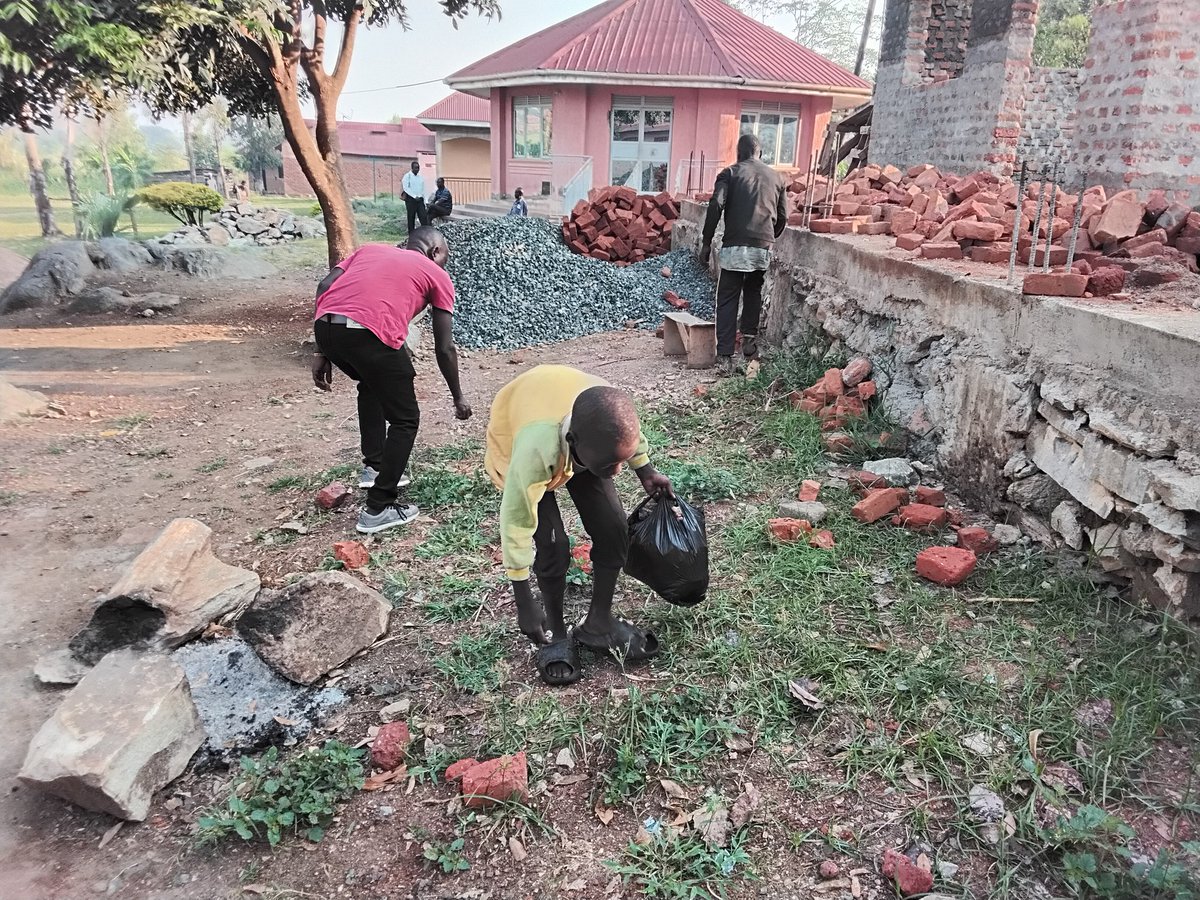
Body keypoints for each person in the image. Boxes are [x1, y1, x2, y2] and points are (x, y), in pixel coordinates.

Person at [485, 365, 674, 686]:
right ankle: (557, 634)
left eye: (620, 462)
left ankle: (598, 624)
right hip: (520, 436)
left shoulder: (606, 415)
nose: (616, 472)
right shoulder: (533, 450)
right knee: (553, 545)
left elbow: (629, 436)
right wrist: (522, 599)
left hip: (581, 440)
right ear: (573, 440)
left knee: (614, 527)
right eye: (609, 464)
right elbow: (516, 523)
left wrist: (646, 471)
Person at [312, 226, 471, 534]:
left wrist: (321, 351)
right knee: (405, 419)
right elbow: (445, 347)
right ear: (436, 252)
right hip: (370, 334)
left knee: (370, 385)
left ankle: (374, 467)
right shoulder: (436, 273)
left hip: (328, 329)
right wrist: (457, 396)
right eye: (445, 258)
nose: (443, 265)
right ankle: (378, 507)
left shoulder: (369, 250)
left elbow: (324, 285)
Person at [700, 133, 788, 377]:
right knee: (753, 291)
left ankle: (726, 358)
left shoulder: (730, 174)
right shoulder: (777, 178)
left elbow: (716, 205)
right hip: (762, 246)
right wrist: (768, 237)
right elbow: (783, 217)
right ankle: (749, 342)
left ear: (740, 153)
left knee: (728, 298)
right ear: (759, 153)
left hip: (735, 246)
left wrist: (706, 243)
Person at [401, 160, 429, 232]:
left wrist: (425, 201)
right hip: (411, 200)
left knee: (423, 217)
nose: (417, 169)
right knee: (411, 217)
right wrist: (414, 196)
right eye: (416, 168)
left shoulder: (420, 178)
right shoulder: (407, 176)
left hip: (419, 200)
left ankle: (425, 233)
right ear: (412, 168)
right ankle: (411, 234)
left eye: (418, 168)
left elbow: (423, 190)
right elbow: (406, 188)